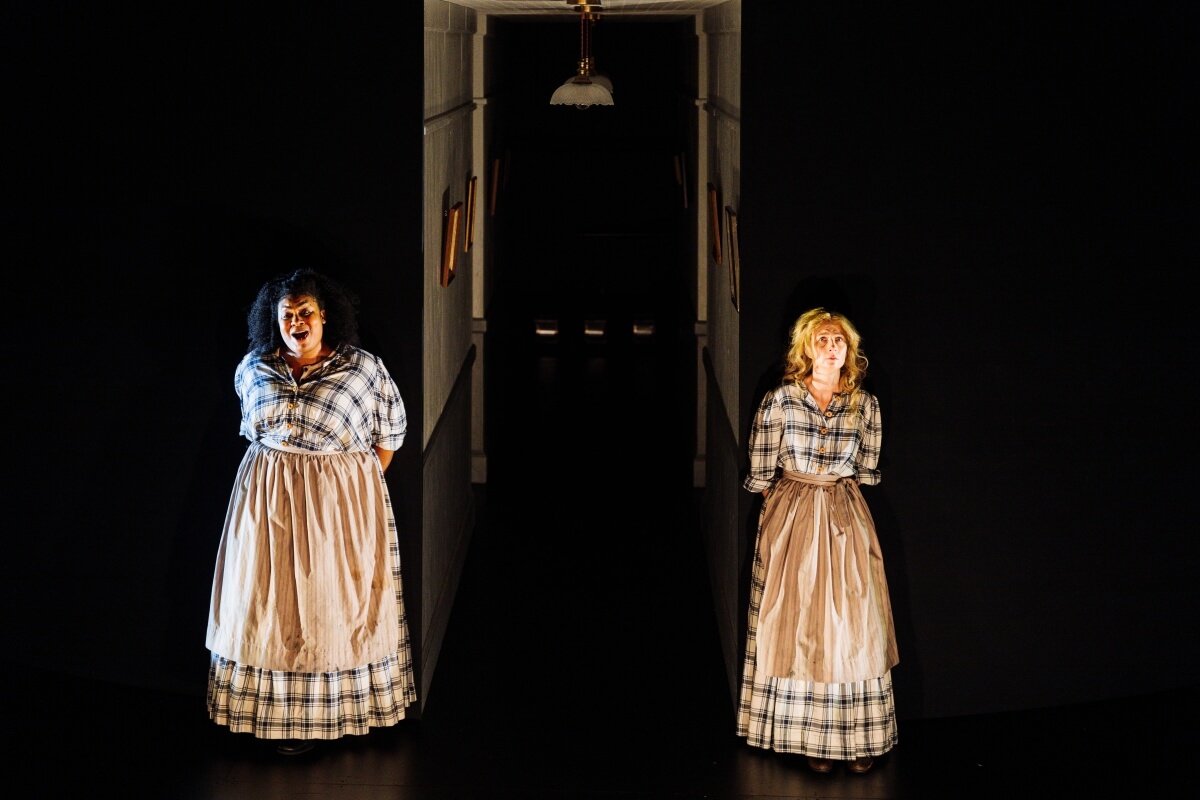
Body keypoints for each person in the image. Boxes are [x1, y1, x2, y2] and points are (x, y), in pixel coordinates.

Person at [205, 268, 417, 755]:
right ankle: (273, 719)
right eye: (287, 315)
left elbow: (390, 436)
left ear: (325, 316)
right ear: (273, 321)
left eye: (306, 313)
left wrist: (350, 487)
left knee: (329, 609)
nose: (297, 322)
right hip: (264, 507)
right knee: (267, 607)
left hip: (335, 511)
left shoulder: (362, 369)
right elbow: (252, 431)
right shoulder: (254, 367)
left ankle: (327, 719)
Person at [736, 307, 899, 775]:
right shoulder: (783, 399)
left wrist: (837, 498)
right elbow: (762, 469)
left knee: (853, 623)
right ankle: (809, 739)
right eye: (823, 339)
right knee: (800, 622)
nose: (832, 347)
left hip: (844, 511)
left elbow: (867, 468)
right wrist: (784, 505)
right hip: (794, 513)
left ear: (850, 350)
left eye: (839, 340)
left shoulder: (863, 404)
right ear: (806, 347)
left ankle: (857, 739)